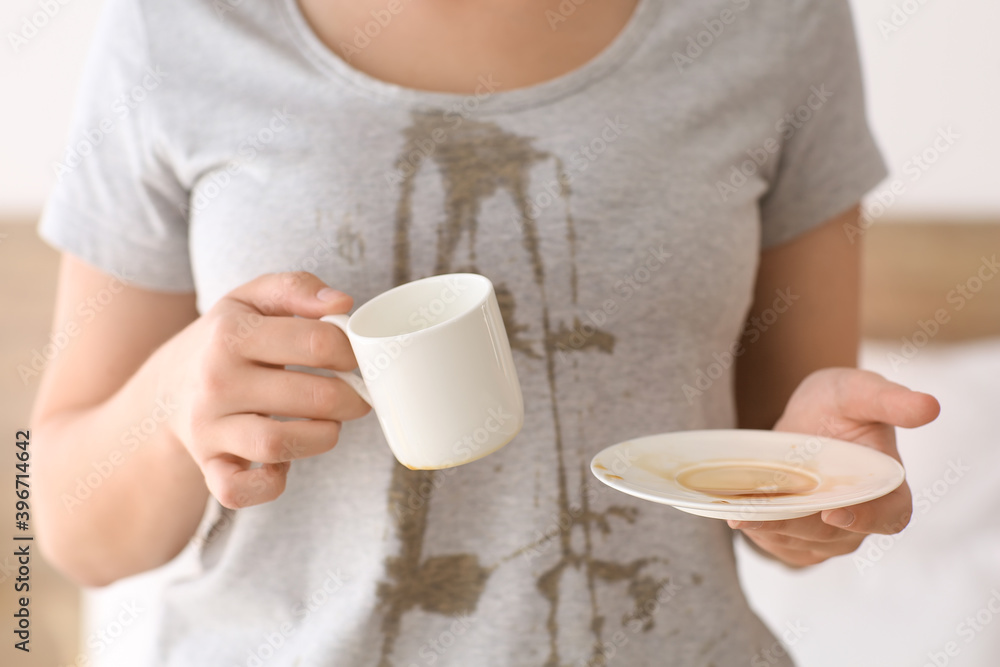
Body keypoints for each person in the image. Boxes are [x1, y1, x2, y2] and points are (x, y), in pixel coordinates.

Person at [31, 0, 940, 665]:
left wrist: (814, 490)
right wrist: (174, 393)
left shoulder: (772, 22)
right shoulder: (176, 30)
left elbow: (780, 482)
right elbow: (71, 529)